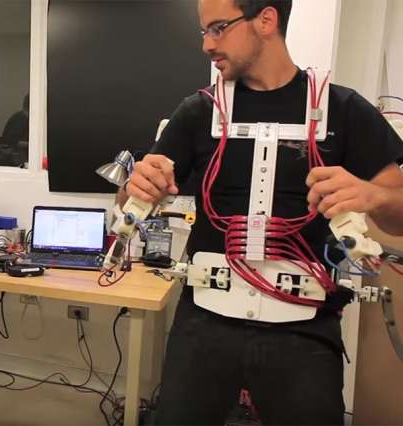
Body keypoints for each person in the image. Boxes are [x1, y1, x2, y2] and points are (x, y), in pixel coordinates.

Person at [117, 1, 403, 424]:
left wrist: (370, 195)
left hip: (303, 328)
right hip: (205, 321)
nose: (207, 45)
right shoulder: (199, 112)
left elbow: (397, 211)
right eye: (204, 32)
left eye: (218, 28)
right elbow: (130, 203)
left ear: (266, 20)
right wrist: (134, 189)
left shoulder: (342, 110)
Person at [0, 94, 29, 165]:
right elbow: (11, 141)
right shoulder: (21, 119)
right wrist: (31, 145)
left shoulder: (20, 117)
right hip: (15, 158)